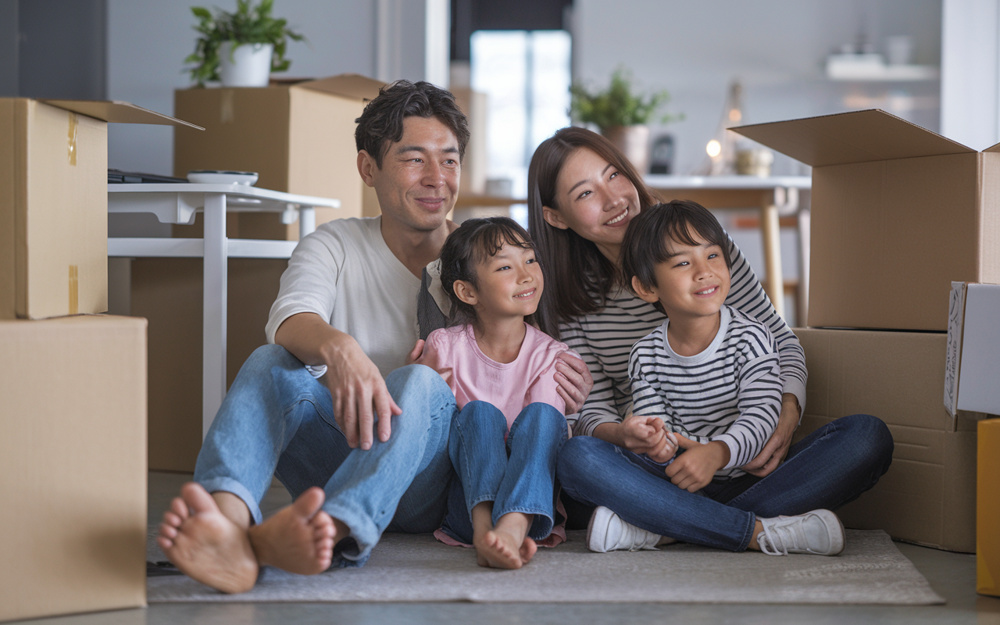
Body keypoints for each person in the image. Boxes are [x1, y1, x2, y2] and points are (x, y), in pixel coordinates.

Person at [155, 81, 592, 595]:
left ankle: (334, 531)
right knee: (270, 360)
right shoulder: (335, 243)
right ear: (368, 168)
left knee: (420, 383)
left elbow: (526, 358)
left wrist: (574, 392)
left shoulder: (484, 260)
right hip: (340, 450)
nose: (436, 178)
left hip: (435, 480)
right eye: (414, 159)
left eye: (449, 161)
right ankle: (226, 531)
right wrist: (340, 348)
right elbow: (291, 318)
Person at [526, 126, 893, 555]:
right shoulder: (566, 297)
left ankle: (665, 526)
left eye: (614, 175)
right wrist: (627, 435)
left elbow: (781, 342)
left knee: (866, 437)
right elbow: (591, 411)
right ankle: (753, 531)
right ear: (556, 216)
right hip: (659, 470)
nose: (613, 200)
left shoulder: (703, 249)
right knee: (579, 459)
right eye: (586, 193)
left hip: (748, 458)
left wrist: (786, 415)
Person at [616, 199, 844, 555]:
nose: (704, 272)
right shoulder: (645, 355)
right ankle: (744, 527)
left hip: (754, 479)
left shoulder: (752, 337)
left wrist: (716, 453)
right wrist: (656, 442)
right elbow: (659, 432)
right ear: (647, 287)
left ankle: (674, 526)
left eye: (712, 256)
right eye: (683, 263)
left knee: (865, 435)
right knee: (580, 455)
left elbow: (762, 417)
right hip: (683, 481)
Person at [415, 217, 575, 569]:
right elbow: (430, 426)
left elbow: (543, 439)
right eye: (505, 267)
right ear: (467, 292)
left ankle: (512, 527)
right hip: (466, 508)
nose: (526, 275)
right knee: (479, 413)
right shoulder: (444, 347)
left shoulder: (553, 356)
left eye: (530, 260)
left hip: (532, 512)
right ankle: (486, 531)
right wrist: (417, 381)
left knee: (545, 416)